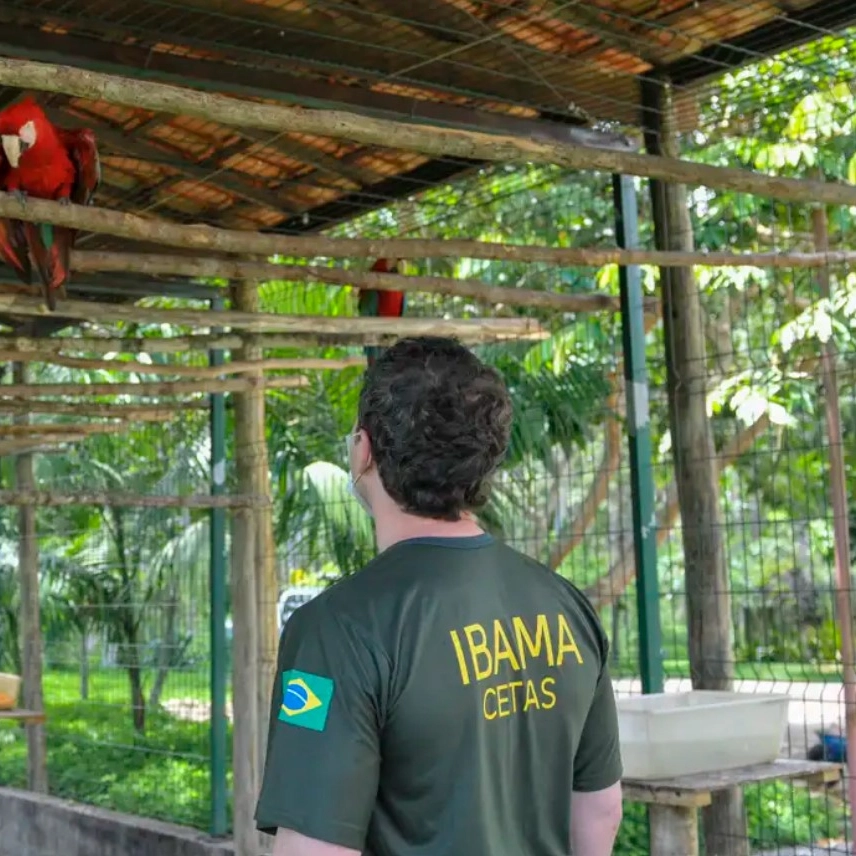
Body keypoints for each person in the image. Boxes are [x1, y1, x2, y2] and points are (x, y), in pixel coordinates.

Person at [255, 336, 623, 856]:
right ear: (483, 459)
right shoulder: (566, 606)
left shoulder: (335, 631)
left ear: (363, 451)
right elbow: (601, 812)